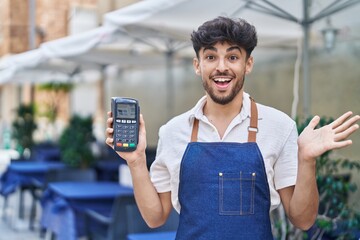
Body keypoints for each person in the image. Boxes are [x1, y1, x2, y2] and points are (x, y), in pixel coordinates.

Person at [106, 16, 359, 239]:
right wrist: (137, 160)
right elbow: (155, 217)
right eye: (211, 56)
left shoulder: (279, 126)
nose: (222, 67)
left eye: (233, 57)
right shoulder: (172, 131)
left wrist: (306, 160)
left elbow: (303, 220)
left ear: (248, 64)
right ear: (198, 65)